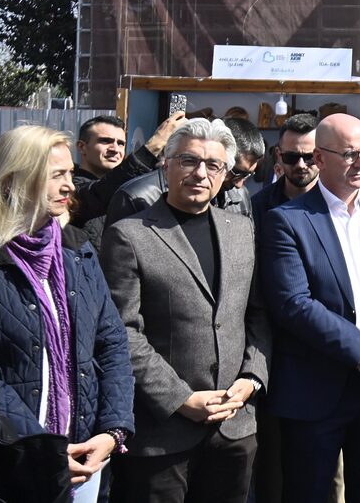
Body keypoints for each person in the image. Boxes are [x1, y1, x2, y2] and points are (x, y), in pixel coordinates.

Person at [99, 117, 270, 503]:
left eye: (213, 165)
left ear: (226, 174)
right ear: (166, 164)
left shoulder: (242, 230)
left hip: (234, 426)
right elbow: (121, 330)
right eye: (188, 160)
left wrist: (252, 377)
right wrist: (180, 399)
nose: (200, 173)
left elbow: (258, 313)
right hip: (163, 434)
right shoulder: (130, 234)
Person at [0, 125, 135, 503]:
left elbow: (112, 343)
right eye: (56, 175)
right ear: (15, 179)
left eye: (70, 173)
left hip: (85, 455)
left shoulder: (77, 249)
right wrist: (41, 446)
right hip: (7, 458)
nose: (70, 185)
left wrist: (113, 430)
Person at [259, 112, 360, 503]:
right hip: (318, 390)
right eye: (349, 154)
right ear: (319, 158)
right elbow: (294, 304)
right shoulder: (286, 221)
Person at [103, 116, 264, 231]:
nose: (239, 183)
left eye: (247, 175)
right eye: (190, 161)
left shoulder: (240, 196)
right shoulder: (135, 197)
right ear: (167, 165)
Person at [70, 111, 188, 227]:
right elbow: (99, 194)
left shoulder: (132, 186)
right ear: (82, 147)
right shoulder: (69, 189)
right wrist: (155, 145)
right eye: (105, 141)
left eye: (121, 143)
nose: (115, 149)